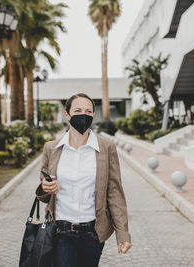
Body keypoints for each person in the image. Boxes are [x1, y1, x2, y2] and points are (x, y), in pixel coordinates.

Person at [35, 93, 132, 267]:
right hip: (60, 230)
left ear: (93, 115)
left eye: (88, 111)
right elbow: (43, 193)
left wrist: (123, 234)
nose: (83, 115)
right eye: (77, 110)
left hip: (93, 232)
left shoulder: (107, 148)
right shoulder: (51, 148)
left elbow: (115, 192)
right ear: (67, 115)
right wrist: (45, 188)